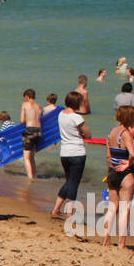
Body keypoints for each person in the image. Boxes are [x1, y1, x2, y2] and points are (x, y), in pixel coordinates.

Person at [103, 106, 134, 248]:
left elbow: (108, 156)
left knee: (112, 208)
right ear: (129, 118)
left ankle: (106, 239)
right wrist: (127, 164)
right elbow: (133, 153)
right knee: (125, 209)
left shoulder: (112, 132)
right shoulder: (125, 133)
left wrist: (111, 171)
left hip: (112, 172)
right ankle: (122, 243)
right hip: (125, 174)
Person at [51, 92, 89, 221]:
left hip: (64, 153)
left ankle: (56, 209)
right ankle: (69, 212)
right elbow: (87, 134)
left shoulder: (61, 114)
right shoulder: (76, 117)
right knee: (74, 183)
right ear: (76, 103)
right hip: (77, 152)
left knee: (69, 181)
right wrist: (84, 135)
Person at [19, 89, 42, 179]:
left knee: (26, 157)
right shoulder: (39, 106)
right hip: (39, 131)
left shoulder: (25, 104)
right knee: (32, 156)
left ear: (27, 97)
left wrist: (27, 120)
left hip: (30, 131)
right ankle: (34, 175)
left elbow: (22, 121)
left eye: (25, 98)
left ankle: (30, 178)